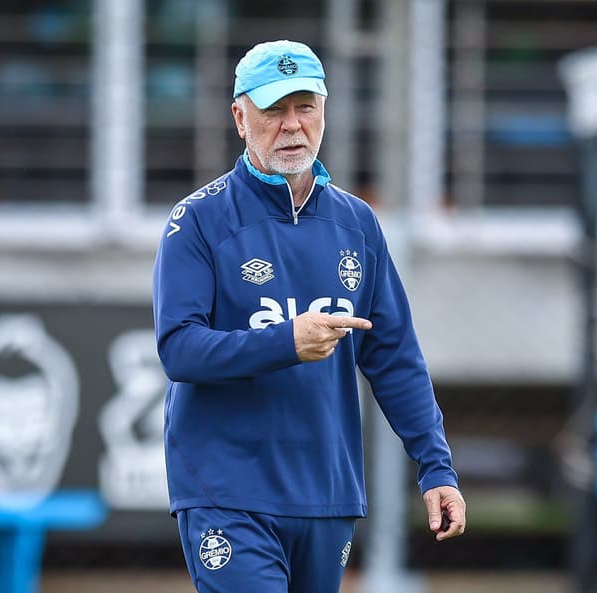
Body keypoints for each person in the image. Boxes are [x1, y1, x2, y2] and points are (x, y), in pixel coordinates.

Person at [152, 40, 465, 593]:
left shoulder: (358, 223)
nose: (292, 126)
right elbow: (179, 348)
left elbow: (394, 357)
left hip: (326, 493)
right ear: (240, 117)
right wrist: (286, 341)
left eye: (306, 107)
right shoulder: (197, 221)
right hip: (228, 492)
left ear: (325, 110)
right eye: (274, 109)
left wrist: (435, 466)